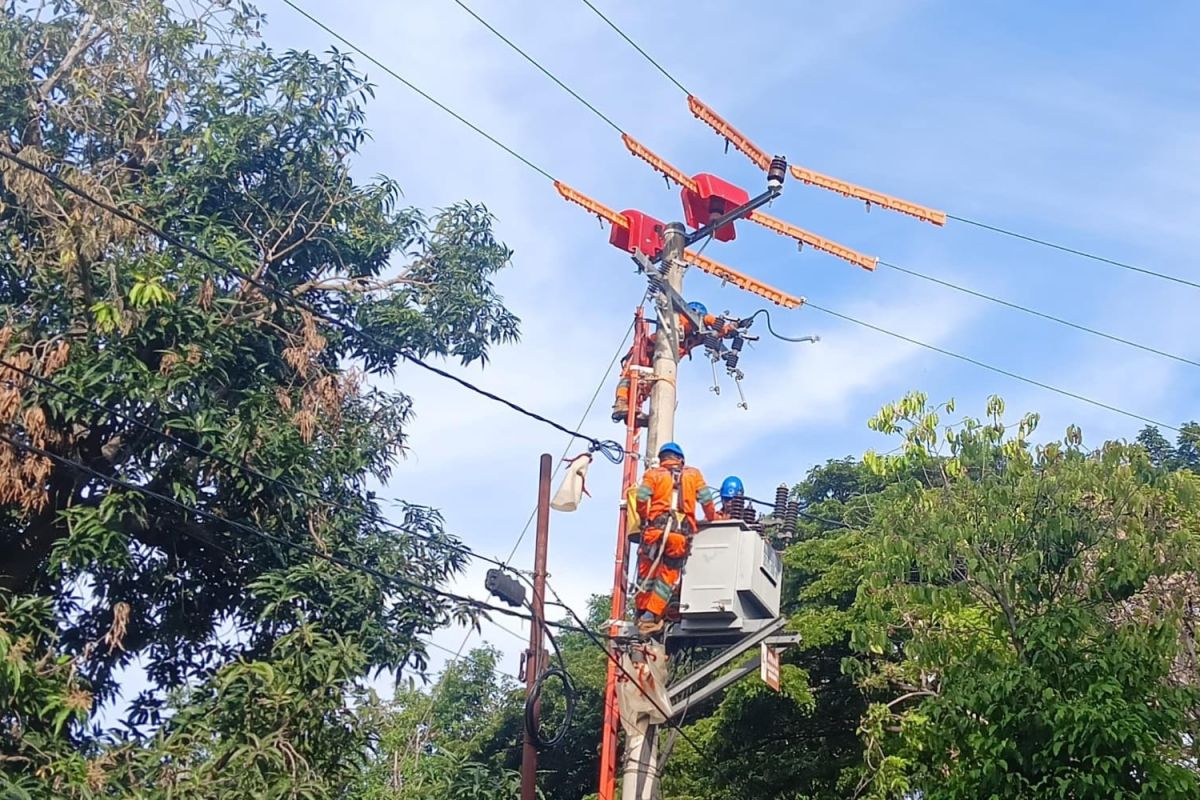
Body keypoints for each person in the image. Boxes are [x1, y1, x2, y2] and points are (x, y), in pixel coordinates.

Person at [632, 442, 717, 634]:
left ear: (662, 459)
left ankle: (641, 612)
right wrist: (712, 518)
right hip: (679, 535)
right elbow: (706, 500)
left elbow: (641, 498)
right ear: (680, 459)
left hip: (654, 531)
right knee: (667, 576)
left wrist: (645, 519)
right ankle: (651, 616)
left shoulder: (653, 474)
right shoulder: (693, 474)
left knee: (646, 573)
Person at [611, 302, 738, 424]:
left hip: (659, 364)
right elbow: (704, 320)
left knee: (645, 385)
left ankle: (634, 412)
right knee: (629, 378)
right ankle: (621, 403)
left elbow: (715, 333)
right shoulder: (680, 320)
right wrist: (715, 322)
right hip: (646, 353)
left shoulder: (694, 336)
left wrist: (729, 329)